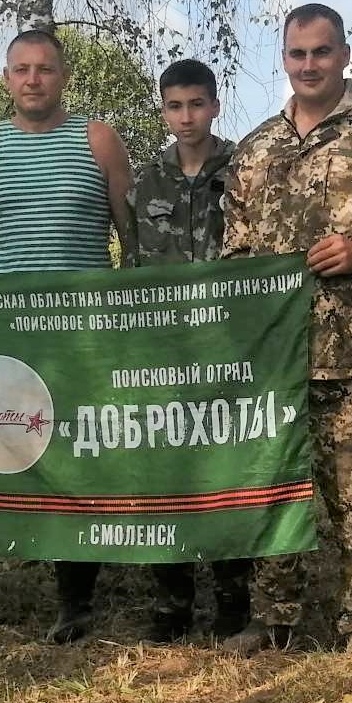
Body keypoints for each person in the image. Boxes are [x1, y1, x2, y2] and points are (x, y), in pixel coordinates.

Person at [220, 3, 352, 654]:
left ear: (344, 55)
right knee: (273, 488)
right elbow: (235, 252)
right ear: (284, 59)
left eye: (320, 52)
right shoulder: (256, 148)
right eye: (296, 53)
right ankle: (274, 617)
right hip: (274, 359)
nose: (308, 64)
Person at [0, 29, 136, 644]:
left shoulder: (98, 139)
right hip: (2, 339)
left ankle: (74, 606)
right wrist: (7, 295)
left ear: (63, 77)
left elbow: (132, 238)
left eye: (45, 69)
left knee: (76, 459)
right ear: (7, 79)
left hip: (83, 336)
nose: (33, 79)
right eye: (22, 69)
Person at [128, 58, 252, 643]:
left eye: (197, 104)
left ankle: (233, 594)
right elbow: (130, 269)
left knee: (229, 468)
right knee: (167, 469)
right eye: (175, 106)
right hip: (162, 353)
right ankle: (171, 598)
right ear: (163, 111)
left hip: (229, 349)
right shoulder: (145, 183)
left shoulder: (246, 168)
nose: (186, 117)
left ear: (216, 105)